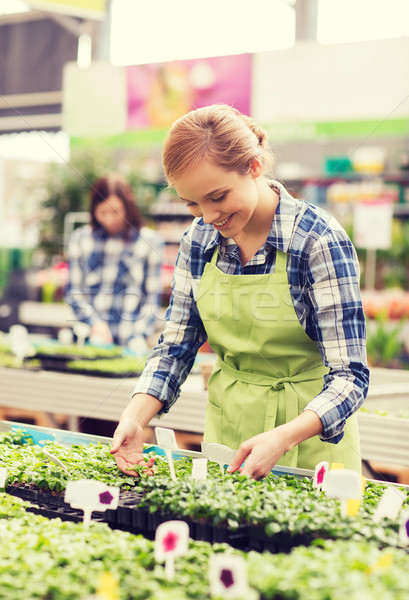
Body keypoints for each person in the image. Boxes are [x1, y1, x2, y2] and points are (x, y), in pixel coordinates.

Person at [110, 104, 369, 479]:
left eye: (217, 197)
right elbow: (176, 346)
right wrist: (135, 416)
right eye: (192, 204)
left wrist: (285, 436)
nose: (208, 215)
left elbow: (351, 376)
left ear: (253, 166)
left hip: (312, 444)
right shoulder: (198, 242)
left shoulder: (317, 241)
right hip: (227, 436)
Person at [65, 174, 163, 352]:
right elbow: (74, 292)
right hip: (89, 340)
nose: (109, 219)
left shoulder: (150, 241)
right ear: (93, 209)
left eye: (115, 211)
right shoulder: (80, 238)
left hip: (132, 343)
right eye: (103, 212)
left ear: (128, 206)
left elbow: (150, 300)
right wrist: (95, 324)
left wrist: (138, 336)